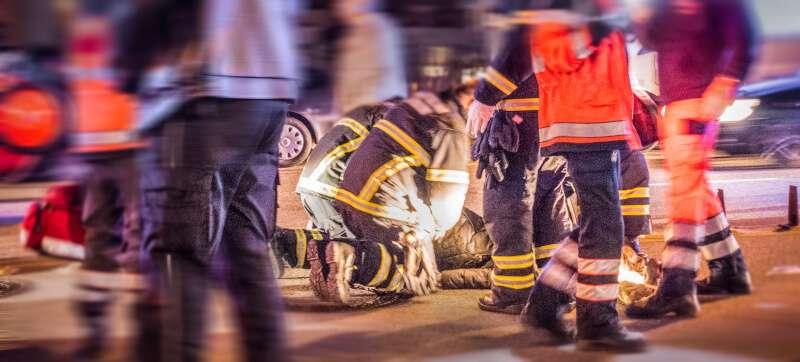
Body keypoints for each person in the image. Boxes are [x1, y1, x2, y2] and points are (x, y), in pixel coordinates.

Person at [115, 1, 300, 360]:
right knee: (247, 253)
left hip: (202, 95)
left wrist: (130, 66)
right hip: (269, 90)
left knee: (177, 258)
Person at [517, 0, 647, 351]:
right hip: (585, 125)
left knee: (597, 222)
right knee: (605, 225)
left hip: (598, 124)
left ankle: (546, 304)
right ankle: (596, 321)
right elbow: (553, 54)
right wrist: (600, 27)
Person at [626, 0, 757, 319]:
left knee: (684, 192)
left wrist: (725, 83)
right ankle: (730, 269)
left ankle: (677, 285)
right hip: (677, 101)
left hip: (697, 102)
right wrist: (643, 17)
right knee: (693, 187)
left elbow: (741, 36)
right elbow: (654, 40)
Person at [290, 88, 472, 304]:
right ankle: (348, 260)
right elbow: (445, 202)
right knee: (403, 275)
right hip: (337, 192)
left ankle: (288, 245)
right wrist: (432, 230)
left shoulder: (392, 111)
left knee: (334, 242)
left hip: (319, 188)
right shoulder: (443, 123)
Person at [468, 21, 573, 314]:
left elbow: (519, 48)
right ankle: (555, 287)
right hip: (553, 115)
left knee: (506, 202)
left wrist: (485, 97)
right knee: (547, 200)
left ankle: (514, 290)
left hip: (521, 116)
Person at [67, 2, 145, 359]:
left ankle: (135, 333)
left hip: (121, 142)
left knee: (123, 238)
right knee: (118, 236)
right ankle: (103, 330)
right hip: (112, 143)